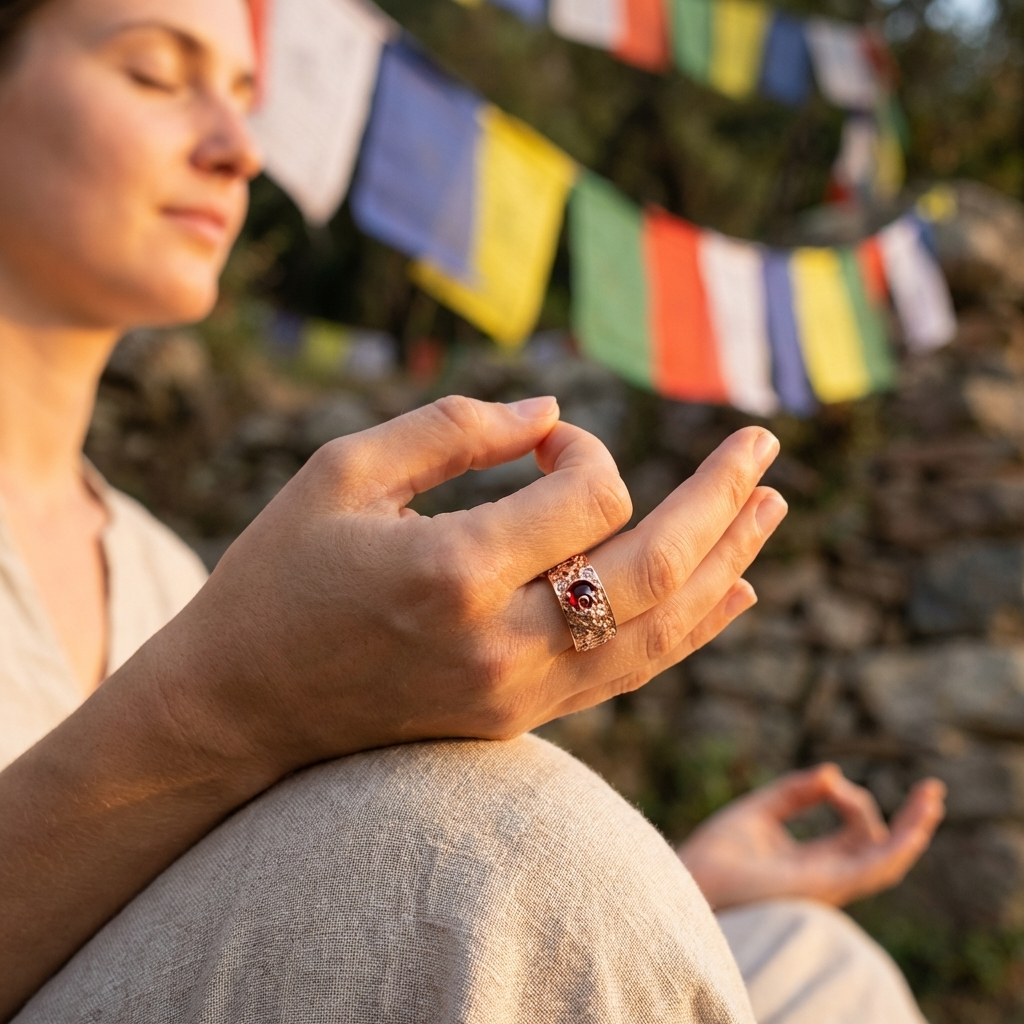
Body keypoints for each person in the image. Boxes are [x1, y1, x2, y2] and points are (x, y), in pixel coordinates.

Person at [0, 0, 946, 1020]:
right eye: (152, 74)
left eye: (245, 93)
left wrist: (666, 888)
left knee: (813, 966)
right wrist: (229, 705)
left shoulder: (158, 572)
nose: (239, 149)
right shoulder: (220, 622)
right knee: (510, 848)